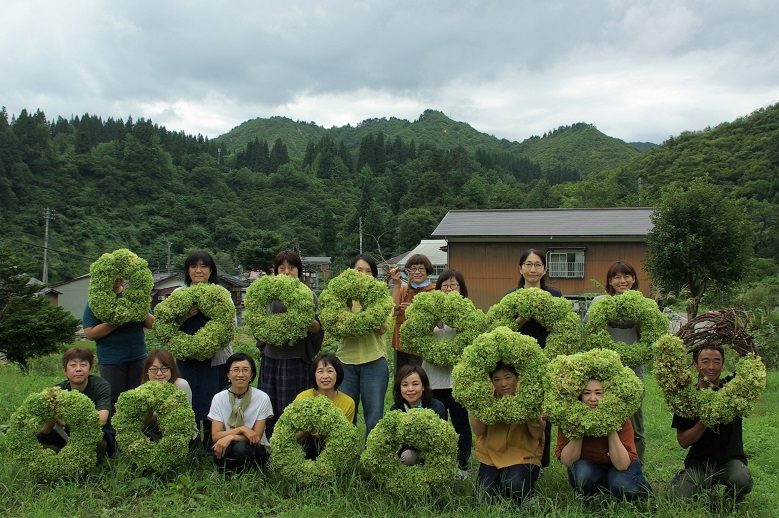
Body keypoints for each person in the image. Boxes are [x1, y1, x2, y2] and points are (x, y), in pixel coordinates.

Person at [670, 344, 753, 501]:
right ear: (695, 365)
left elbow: (752, 364)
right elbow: (683, 441)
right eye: (705, 361)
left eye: (716, 362)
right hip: (700, 464)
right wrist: (705, 421)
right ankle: (683, 478)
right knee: (677, 498)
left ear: (722, 365)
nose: (711, 367)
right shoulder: (687, 399)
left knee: (741, 480)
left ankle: (731, 498)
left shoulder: (735, 391)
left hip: (730, 461)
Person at [257, 249, 323, 438]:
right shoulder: (266, 295)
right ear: (276, 271)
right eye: (282, 267)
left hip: (298, 360)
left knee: (296, 406)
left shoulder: (309, 295)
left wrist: (307, 321)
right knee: (270, 405)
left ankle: (295, 444)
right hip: (272, 359)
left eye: (292, 267)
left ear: (299, 271)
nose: (286, 272)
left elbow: (318, 329)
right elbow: (258, 324)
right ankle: (270, 445)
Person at [505, 248, 562, 467]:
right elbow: (504, 328)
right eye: (528, 264)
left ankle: (541, 461)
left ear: (545, 269)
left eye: (538, 264)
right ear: (520, 269)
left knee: (543, 411)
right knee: (518, 407)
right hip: (516, 362)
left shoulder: (554, 295)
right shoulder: (511, 296)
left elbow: (562, 327)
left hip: (546, 360)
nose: (533, 269)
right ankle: (516, 458)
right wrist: (524, 315)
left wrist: (542, 309)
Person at [585, 260, 646, 461]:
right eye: (617, 277)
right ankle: (604, 461)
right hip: (605, 369)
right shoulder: (599, 302)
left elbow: (648, 338)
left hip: (633, 369)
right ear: (610, 281)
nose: (622, 281)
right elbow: (588, 332)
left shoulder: (643, 305)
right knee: (604, 415)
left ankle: (637, 465)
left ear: (634, 279)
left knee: (635, 419)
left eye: (626, 276)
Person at [556, 379, 653, 501]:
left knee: (626, 487)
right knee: (582, 475)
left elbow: (622, 465)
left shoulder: (621, 415)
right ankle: (596, 496)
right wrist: (580, 425)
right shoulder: (569, 417)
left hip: (620, 466)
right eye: (586, 393)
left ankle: (643, 492)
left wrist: (610, 425)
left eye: (598, 393)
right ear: (580, 396)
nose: (592, 398)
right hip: (589, 465)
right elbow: (568, 461)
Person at [175, 250, 233, 447]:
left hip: (214, 359)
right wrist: (187, 314)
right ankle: (191, 443)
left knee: (214, 398)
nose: (198, 271)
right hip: (187, 359)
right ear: (188, 271)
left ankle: (212, 442)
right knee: (187, 399)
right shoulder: (178, 294)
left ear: (211, 270)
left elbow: (230, 323)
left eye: (203, 266)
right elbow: (166, 323)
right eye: (193, 266)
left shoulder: (222, 293)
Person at [420, 269, 472, 478]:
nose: (449, 289)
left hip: (456, 379)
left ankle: (462, 465)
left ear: (461, 289)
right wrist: (432, 318)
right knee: (434, 422)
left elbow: (471, 340)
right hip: (431, 378)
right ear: (438, 288)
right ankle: (435, 463)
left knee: (460, 424)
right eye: (445, 285)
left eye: (454, 285)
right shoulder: (427, 312)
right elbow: (416, 337)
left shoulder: (467, 312)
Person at [471, 362, 545, 504]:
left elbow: (537, 434)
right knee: (482, 500)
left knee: (515, 486)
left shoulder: (529, 394)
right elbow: (478, 430)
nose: (503, 384)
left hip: (523, 454)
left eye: (508, 377)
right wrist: (477, 405)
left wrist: (530, 407)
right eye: (496, 379)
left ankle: (527, 494)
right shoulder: (487, 396)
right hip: (491, 456)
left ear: (517, 378)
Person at [336, 253, 391, 437]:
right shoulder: (341, 297)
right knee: (344, 415)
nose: (363, 274)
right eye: (359, 270)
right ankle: (346, 457)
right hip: (345, 362)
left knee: (374, 417)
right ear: (351, 272)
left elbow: (382, 329)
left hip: (374, 362)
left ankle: (372, 459)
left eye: (368, 271)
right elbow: (334, 324)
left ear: (374, 276)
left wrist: (368, 304)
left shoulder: (382, 299)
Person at [83, 275, 154, 414]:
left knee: (139, 400)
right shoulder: (98, 299)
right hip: (111, 360)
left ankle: (138, 433)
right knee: (114, 402)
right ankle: (114, 434)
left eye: (120, 274)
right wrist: (117, 320)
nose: (116, 278)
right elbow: (90, 333)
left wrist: (138, 307)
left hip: (138, 357)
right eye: (112, 274)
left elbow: (151, 323)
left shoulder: (132, 295)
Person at [37, 348, 117, 460]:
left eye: (83, 365)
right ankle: (60, 460)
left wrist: (66, 421)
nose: (78, 369)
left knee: (96, 436)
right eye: (73, 365)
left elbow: (101, 419)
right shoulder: (58, 390)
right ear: (64, 370)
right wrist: (53, 413)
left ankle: (94, 467)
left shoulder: (101, 386)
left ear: (90, 369)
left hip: (101, 434)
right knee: (40, 437)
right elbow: (46, 428)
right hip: (69, 436)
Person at [208, 353, 273, 473]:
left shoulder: (262, 398)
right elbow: (216, 435)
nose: (240, 375)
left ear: (252, 374)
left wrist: (230, 436)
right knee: (222, 445)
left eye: (245, 370)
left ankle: (249, 475)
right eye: (235, 370)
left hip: (255, 448)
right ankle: (226, 476)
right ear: (228, 374)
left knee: (241, 447)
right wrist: (241, 429)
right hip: (231, 445)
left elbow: (256, 437)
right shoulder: (219, 398)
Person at [293, 354, 355, 459]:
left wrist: (324, 426)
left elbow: (343, 438)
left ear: (337, 374)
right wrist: (310, 424)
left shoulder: (348, 402)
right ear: (314, 375)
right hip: (305, 445)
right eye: (320, 371)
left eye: (330, 371)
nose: (325, 376)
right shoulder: (303, 397)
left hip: (332, 447)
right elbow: (294, 437)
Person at [141, 348, 201, 450]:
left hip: (184, 440)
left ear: (172, 369)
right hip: (153, 440)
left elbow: (183, 421)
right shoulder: (141, 391)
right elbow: (141, 425)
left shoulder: (181, 385)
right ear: (147, 372)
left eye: (164, 368)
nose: (159, 373)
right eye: (154, 369)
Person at [389, 365, 446, 465]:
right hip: (407, 451)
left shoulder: (437, 406)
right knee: (407, 457)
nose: (410, 389)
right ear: (399, 387)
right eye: (405, 385)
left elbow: (439, 440)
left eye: (415, 384)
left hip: (433, 451)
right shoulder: (395, 410)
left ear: (423, 386)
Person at [390, 254, 435, 375]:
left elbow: (435, 317)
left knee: (418, 378)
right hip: (400, 343)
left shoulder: (434, 291)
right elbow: (393, 312)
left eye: (421, 269)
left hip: (420, 345)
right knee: (401, 378)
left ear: (427, 271)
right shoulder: (403, 289)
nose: (417, 272)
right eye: (413, 269)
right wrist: (397, 284)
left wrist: (415, 309)